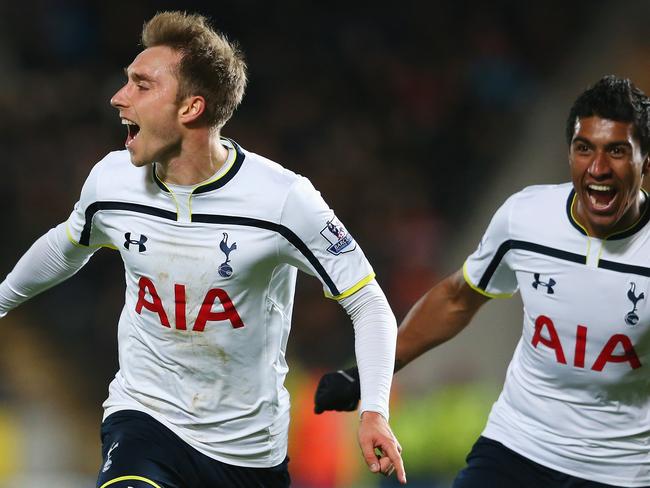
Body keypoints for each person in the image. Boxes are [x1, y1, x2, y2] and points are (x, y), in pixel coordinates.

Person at [0, 11, 406, 488]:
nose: (118, 97)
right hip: (144, 419)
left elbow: (367, 302)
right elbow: (68, 244)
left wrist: (374, 410)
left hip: (247, 453)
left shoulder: (282, 200)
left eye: (141, 85)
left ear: (190, 108)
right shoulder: (111, 181)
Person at [314, 75, 650, 488]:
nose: (598, 167)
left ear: (645, 162)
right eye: (585, 149)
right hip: (517, 447)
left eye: (617, 151)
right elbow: (458, 298)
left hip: (619, 469)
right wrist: (370, 374)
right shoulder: (526, 217)